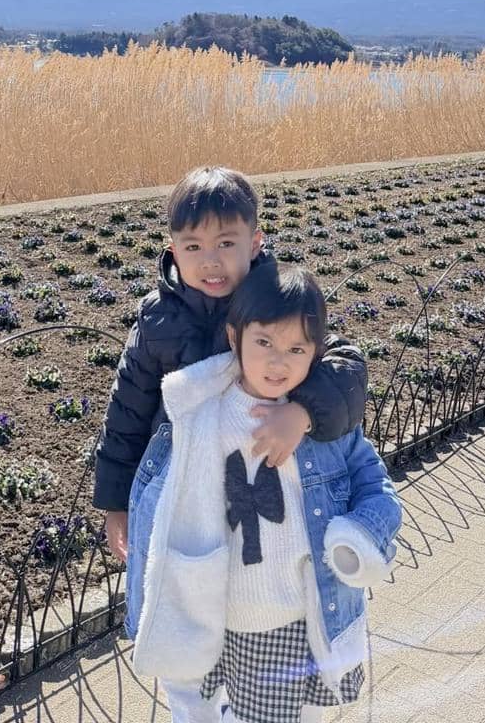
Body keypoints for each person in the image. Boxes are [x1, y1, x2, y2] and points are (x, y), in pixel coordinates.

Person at [92, 166, 368, 720]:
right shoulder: (157, 320)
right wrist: (114, 501)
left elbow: (343, 366)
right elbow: (126, 414)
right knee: (188, 632)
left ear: (255, 242)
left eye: (226, 243)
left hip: (259, 496)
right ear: (172, 249)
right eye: (193, 246)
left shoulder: (278, 297)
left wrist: (302, 413)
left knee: (243, 612)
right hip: (188, 496)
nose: (210, 262)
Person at [124, 265, 401, 723]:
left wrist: (359, 536)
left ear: (317, 353)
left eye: (296, 348)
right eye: (264, 343)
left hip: (296, 617)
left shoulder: (322, 425)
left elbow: (378, 489)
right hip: (223, 616)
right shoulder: (201, 414)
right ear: (235, 338)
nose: (278, 363)